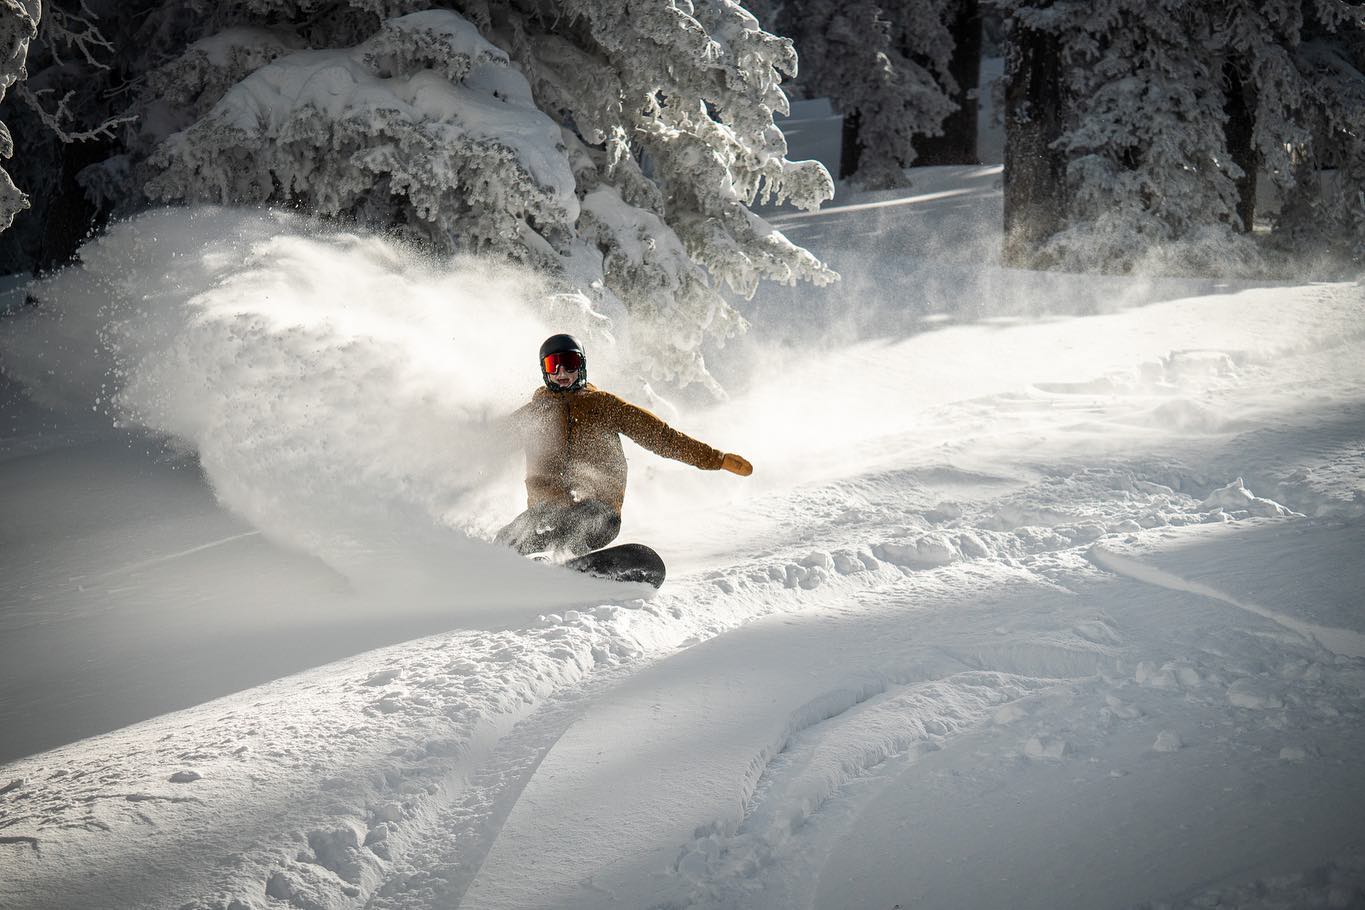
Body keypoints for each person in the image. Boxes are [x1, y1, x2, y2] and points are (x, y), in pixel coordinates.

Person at [495, 333, 753, 557]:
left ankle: (570, 561)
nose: (562, 373)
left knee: (580, 526)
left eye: (570, 363)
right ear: (545, 370)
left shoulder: (605, 406)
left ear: (582, 365)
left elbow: (662, 437)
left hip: (599, 513)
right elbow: (488, 446)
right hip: (547, 513)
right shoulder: (534, 415)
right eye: (554, 365)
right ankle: (512, 570)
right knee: (509, 538)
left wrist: (716, 459)